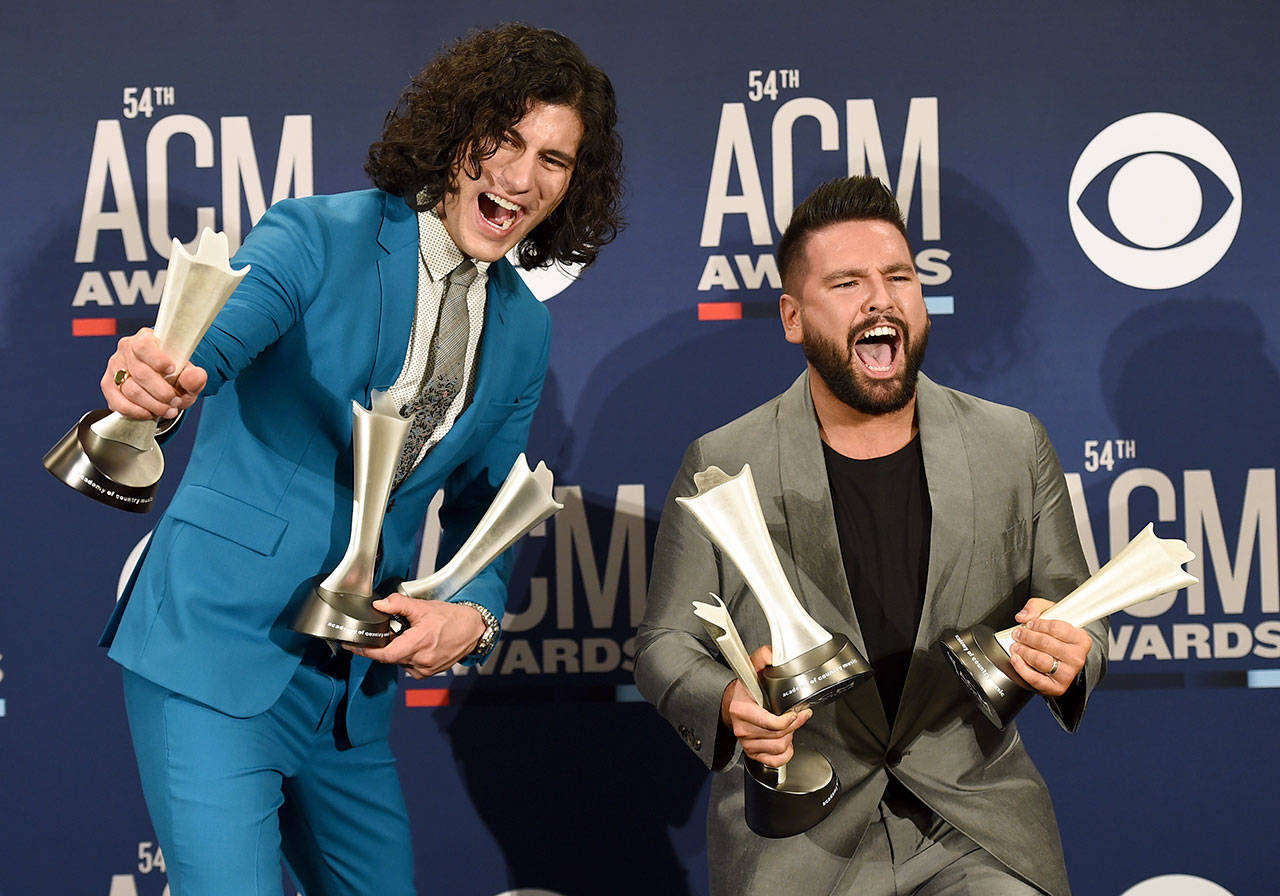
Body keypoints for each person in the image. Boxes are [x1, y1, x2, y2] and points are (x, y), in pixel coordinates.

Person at [97, 23, 622, 896]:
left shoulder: (525, 328)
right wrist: (158, 374)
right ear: (456, 132)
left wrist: (477, 620)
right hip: (215, 646)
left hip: (347, 700)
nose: (521, 178)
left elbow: (492, 513)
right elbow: (204, 349)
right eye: (504, 139)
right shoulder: (316, 235)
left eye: (555, 160)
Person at [634, 176, 1105, 896]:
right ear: (793, 316)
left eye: (899, 277)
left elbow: (1076, 606)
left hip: (974, 825)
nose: (881, 299)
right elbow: (664, 642)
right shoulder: (724, 460)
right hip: (803, 830)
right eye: (847, 283)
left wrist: (1076, 652)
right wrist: (728, 702)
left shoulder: (1014, 444)